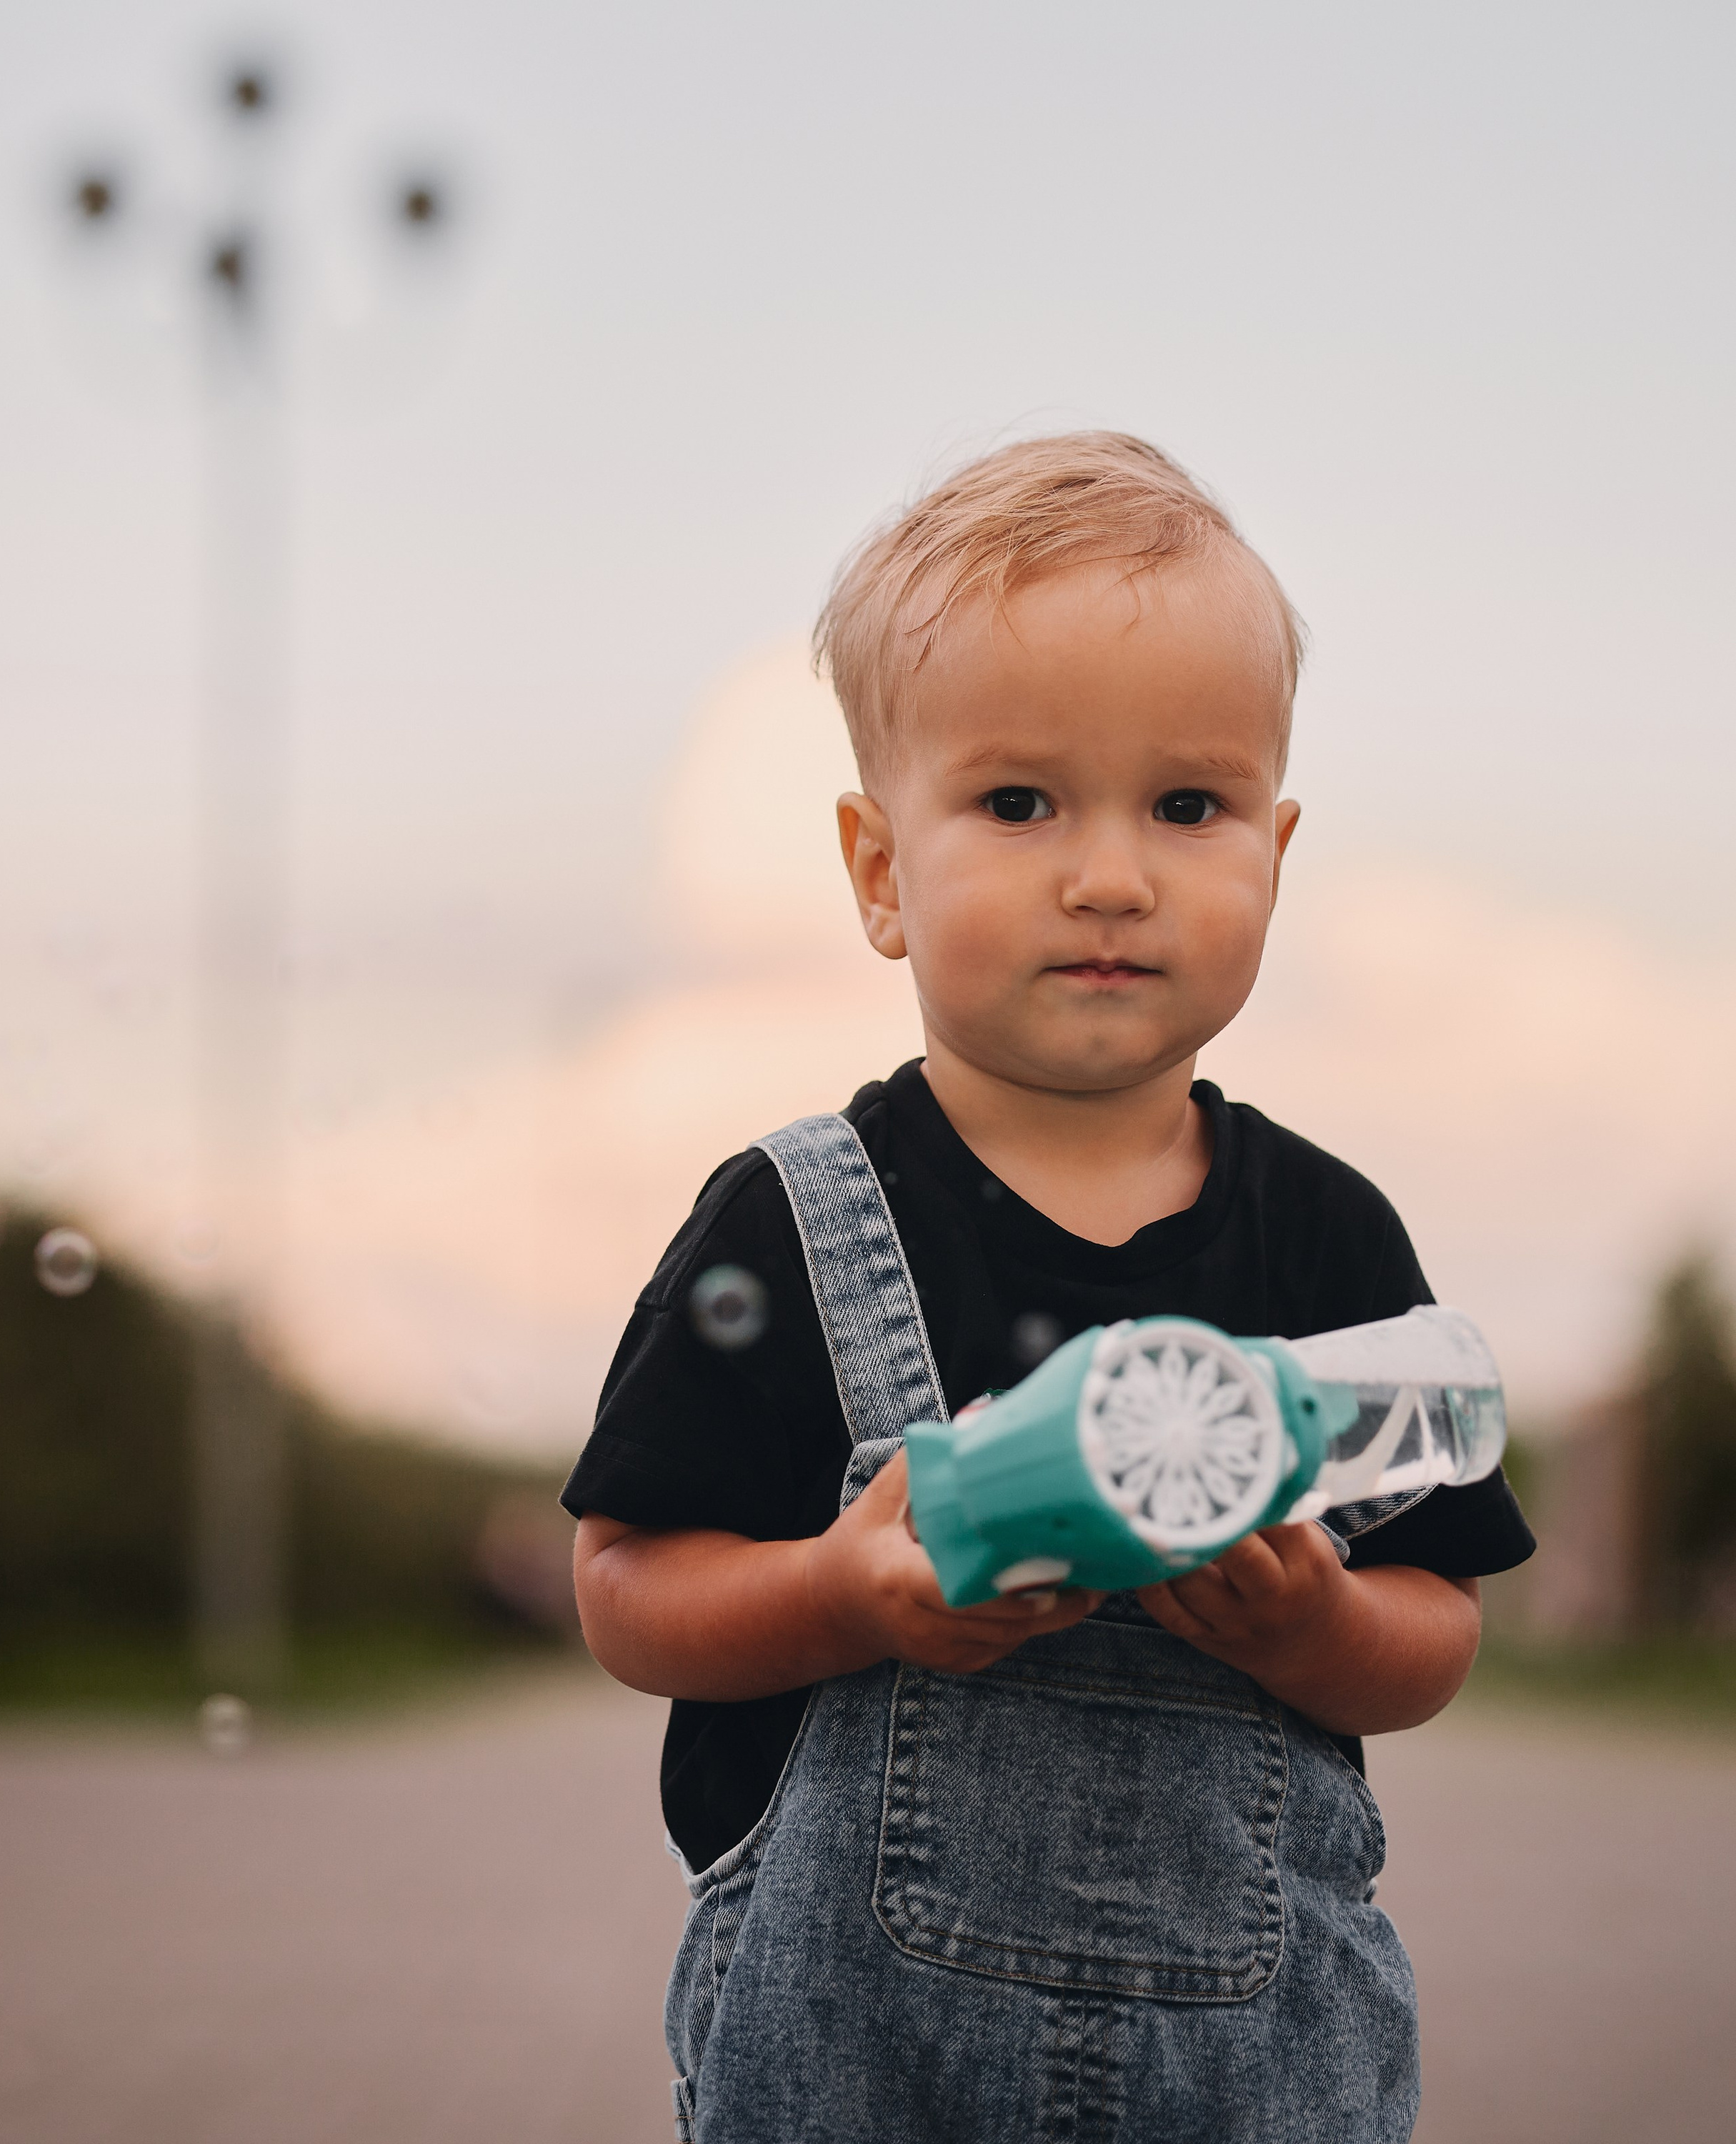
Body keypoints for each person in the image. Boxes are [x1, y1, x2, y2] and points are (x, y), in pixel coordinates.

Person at [564, 432, 1533, 2144]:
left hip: (1251, 2082)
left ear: (1276, 846)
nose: (1109, 872)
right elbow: (627, 1584)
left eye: (1188, 803)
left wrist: (1318, 1626)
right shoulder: (793, 1217)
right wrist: (836, 1594)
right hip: (865, 2076)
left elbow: (1438, 1625)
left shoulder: (1323, 1241)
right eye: (1017, 803)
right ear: (880, 869)